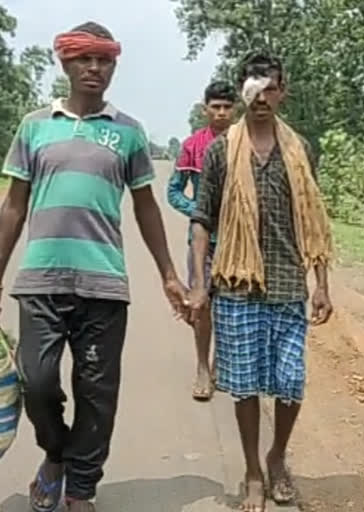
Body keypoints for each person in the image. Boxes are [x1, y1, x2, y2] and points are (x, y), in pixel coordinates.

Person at [0, 22, 188, 512]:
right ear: (65, 64)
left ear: (113, 66)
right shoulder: (34, 126)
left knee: (96, 393)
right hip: (41, 281)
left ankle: (82, 489)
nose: (94, 69)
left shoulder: (127, 132)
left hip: (104, 285)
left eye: (104, 60)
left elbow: (146, 207)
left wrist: (169, 275)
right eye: (83, 59)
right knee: (38, 382)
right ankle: (55, 454)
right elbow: (13, 206)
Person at [187, 53, 334, 512]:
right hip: (235, 284)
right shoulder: (219, 151)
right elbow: (201, 219)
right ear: (242, 91)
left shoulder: (302, 149)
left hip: (290, 282)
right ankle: (253, 470)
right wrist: (198, 282)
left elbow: (312, 220)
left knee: (290, 382)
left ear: (283, 92)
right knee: (246, 385)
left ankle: (277, 456)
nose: (263, 96)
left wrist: (322, 284)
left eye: (271, 87)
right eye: (254, 87)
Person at [167, 81, 236, 401]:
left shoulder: (244, 143)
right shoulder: (193, 145)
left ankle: (221, 363)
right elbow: (174, 191)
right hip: (202, 241)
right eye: (215, 107)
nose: (221, 113)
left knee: (231, 305)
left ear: (235, 109)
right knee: (201, 303)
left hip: (238, 241)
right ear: (205, 108)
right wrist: (199, 211)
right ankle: (202, 368)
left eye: (227, 107)